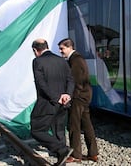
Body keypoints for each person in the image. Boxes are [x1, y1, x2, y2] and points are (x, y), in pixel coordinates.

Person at [30, 38, 74, 166]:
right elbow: (70, 79)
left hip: (48, 104)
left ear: (35, 50)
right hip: (63, 103)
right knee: (59, 131)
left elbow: (41, 83)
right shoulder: (62, 60)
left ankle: (62, 150)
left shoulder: (37, 61)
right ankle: (62, 161)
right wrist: (67, 95)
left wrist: (55, 97)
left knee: (36, 130)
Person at [58, 38, 99, 163]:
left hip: (78, 97)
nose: (60, 51)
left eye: (62, 48)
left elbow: (75, 81)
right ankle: (93, 153)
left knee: (73, 125)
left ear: (69, 47)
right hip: (84, 96)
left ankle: (76, 155)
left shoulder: (75, 60)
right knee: (86, 124)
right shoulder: (77, 58)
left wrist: (69, 96)